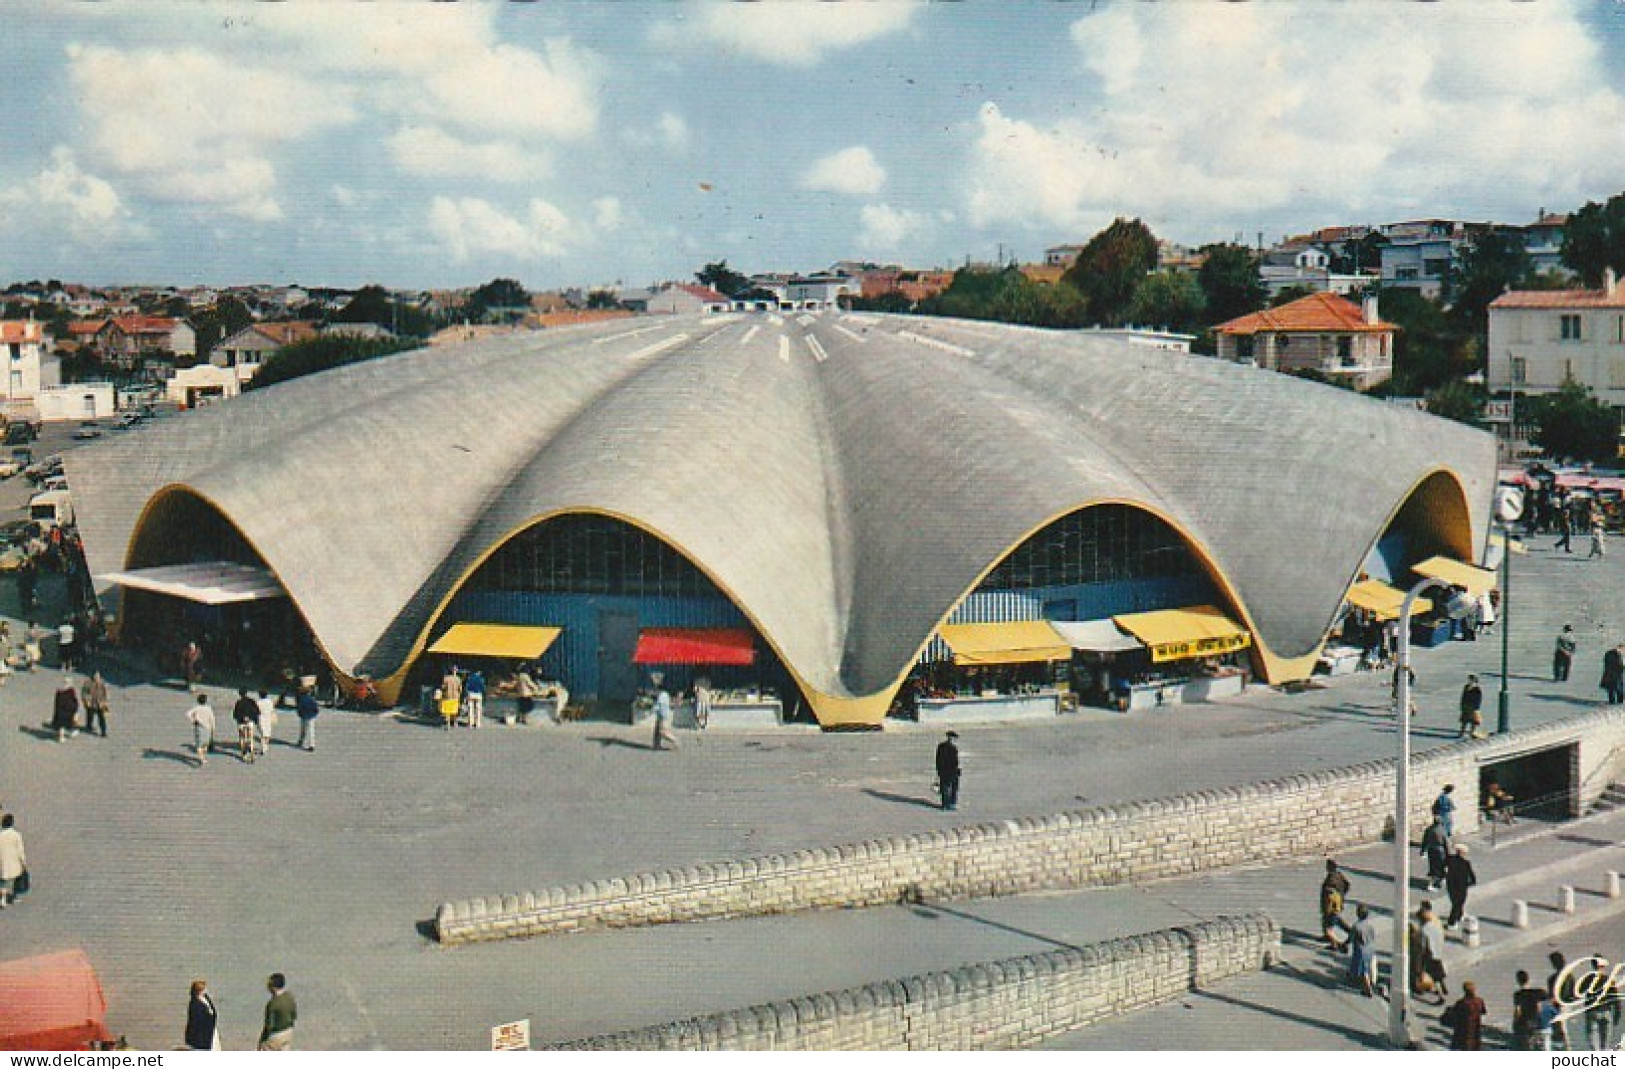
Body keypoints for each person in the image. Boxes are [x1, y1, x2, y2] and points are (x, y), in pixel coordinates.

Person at [1411, 901, 1448, 1003]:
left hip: (1431, 956)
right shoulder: (1436, 924)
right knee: (1439, 973)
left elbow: (1423, 946)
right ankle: (1444, 987)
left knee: (1433, 976)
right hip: (1438, 951)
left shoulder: (1423, 931)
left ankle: (1440, 996)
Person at [1583, 956, 1621, 1050]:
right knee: (1605, 1045)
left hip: (1592, 1012)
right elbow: (1615, 997)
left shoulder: (1588, 979)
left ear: (1593, 965)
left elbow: (1579, 992)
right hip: (1606, 1011)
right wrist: (1617, 1014)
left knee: (1594, 1045)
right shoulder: (1609, 979)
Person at [1442, 981, 1487, 1050]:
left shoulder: (1461, 1002)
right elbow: (1483, 1011)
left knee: (1464, 1043)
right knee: (1474, 1043)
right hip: (1475, 1025)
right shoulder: (1479, 1000)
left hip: (1463, 1026)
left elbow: (1455, 1013)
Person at [258, 973, 297, 1051]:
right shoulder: (289, 997)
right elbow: (294, 1015)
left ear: (273, 987)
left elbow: (268, 1026)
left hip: (276, 1035)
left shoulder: (272, 1004)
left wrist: (261, 1041)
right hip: (288, 1031)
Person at [1346, 903, 1377, 997]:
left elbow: (1350, 938)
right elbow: (1373, 936)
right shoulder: (1370, 925)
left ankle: (1368, 990)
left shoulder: (1356, 926)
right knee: (1365, 965)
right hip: (1370, 948)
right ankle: (1352, 974)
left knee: (1364, 971)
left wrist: (1343, 944)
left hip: (1361, 950)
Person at [1513, 970, 1548, 1051]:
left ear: (1518, 981)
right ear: (1528, 979)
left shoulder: (1518, 994)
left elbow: (1518, 1011)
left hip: (1524, 1020)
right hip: (1535, 1019)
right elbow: (1541, 1005)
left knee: (1526, 1043)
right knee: (1537, 1041)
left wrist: (1515, 1023)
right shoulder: (1537, 992)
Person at [1444, 844, 1477, 928]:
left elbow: (1444, 865)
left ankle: (1460, 915)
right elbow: (1472, 877)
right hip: (1461, 887)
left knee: (1455, 902)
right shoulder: (1466, 863)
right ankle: (1451, 922)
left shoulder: (1450, 859)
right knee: (1458, 904)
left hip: (1451, 885)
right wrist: (1470, 883)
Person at [1319, 859, 1350, 949]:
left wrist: (1328, 907)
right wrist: (1342, 895)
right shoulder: (1339, 875)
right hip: (1337, 904)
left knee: (1329, 925)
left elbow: (1329, 896)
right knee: (1332, 921)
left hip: (1330, 907)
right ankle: (1328, 937)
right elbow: (1347, 885)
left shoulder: (1330, 879)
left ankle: (1336, 944)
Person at [185, 979, 220, 1051]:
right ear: (199, 991)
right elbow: (196, 1021)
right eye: (204, 988)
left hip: (210, 1030)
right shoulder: (194, 1004)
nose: (206, 990)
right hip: (201, 1034)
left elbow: (212, 1010)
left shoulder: (206, 998)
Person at [1550, 951, 1575, 1050]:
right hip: (1567, 1005)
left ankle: (1566, 1049)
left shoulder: (1553, 978)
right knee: (1563, 1028)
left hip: (1560, 1005)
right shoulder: (1569, 975)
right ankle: (1566, 1048)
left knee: (1561, 1029)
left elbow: (1552, 995)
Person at [0, 813, 25, 908]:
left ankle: (3, 899)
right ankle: (12, 897)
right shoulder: (16, 835)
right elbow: (20, 851)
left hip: (2, 861)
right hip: (13, 862)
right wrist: (23, 862)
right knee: (13, 880)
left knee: (2, 881)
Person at [1420, 815, 1450, 891]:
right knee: (1440, 868)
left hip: (1431, 850)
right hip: (1440, 852)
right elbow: (1446, 844)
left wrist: (1422, 851)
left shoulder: (1429, 829)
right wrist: (1449, 855)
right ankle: (1432, 884)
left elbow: (1424, 841)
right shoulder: (1442, 831)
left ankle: (1438, 882)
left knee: (1433, 867)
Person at [935, 731, 961, 811]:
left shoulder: (940, 746)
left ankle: (945, 804)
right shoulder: (953, 748)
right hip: (951, 771)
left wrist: (938, 770)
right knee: (953, 787)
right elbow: (955, 761)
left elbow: (937, 759)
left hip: (943, 770)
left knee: (944, 787)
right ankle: (951, 804)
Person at [187, 693, 215, 766]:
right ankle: (202, 759)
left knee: (200, 744)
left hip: (199, 727)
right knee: (205, 743)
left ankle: (202, 757)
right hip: (208, 727)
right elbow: (212, 718)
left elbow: (188, 714)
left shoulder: (196, 708)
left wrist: (193, 720)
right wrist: (213, 727)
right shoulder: (209, 708)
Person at [233, 689, 260, 764]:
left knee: (242, 738)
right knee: (250, 738)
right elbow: (257, 711)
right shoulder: (251, 701)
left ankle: (243, 754)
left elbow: (235, 714)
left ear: (239, 694)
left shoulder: (238, 703)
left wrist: (240, 718)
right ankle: (251, 753)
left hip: (241, 722)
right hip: (250, 722)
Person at [49, 675, 79, 741]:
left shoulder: (59, 690)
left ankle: (62, 735)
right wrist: (75, 707)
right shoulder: (71, 690)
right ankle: (62, 736)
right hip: (67, 709)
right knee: (65, 723)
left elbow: (56, 701)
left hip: (60, 709)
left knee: (61, 724)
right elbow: (73, 700)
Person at [81, 670, 110, 737]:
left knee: (102, 718)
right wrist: (87, 701)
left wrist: (105, 702)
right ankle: (89, 726)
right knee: (90, 716)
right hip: (91, 703)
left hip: (100, 703)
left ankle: (103, 732)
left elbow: (106, 692)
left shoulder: (102, 683)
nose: (96, 677)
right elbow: (84, 692)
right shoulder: (88, 683)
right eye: (95, 676)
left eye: (97, 676)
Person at [652, 683, 678, 751]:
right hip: (661, 715)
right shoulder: (664, 694)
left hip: (663, 716)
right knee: (657, 731)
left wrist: (652, 709)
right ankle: (656, 745)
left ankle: (675, 740)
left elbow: (658, 705)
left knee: (663, 732)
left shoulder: (662, 695)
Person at [295, 685, 319, 751]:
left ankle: (301, 741)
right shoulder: (311, 699)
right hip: (311, 716)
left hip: (304, 716)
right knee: (311, 731)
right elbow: (316, 708)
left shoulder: (301, 699)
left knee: (303, 730)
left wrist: (300, 714)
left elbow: (299, 708)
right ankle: (312, 745)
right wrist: (314, 714)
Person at [255, 690, 277, 756]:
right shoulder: (270, 701)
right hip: (268, 718)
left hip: (261, 718)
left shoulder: (258, 702)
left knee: (262, 734)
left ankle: (264, 748)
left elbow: (256, 711)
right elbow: (272, 709)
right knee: (267, 733)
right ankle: (265, 747)